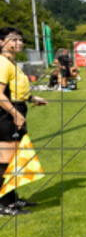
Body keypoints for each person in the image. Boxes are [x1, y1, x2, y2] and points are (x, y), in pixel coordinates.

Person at [0, 28, 48, 215]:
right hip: (5, 114)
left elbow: (14, 91)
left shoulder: (11, 63)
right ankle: (4, 204)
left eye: (20, 40)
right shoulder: (2, 63)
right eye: (13, 40)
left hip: (13, 110)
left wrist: (31, 98)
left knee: (14, 160)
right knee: (5, 161)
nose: (18, 43)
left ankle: (12, 199)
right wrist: (15, 114)